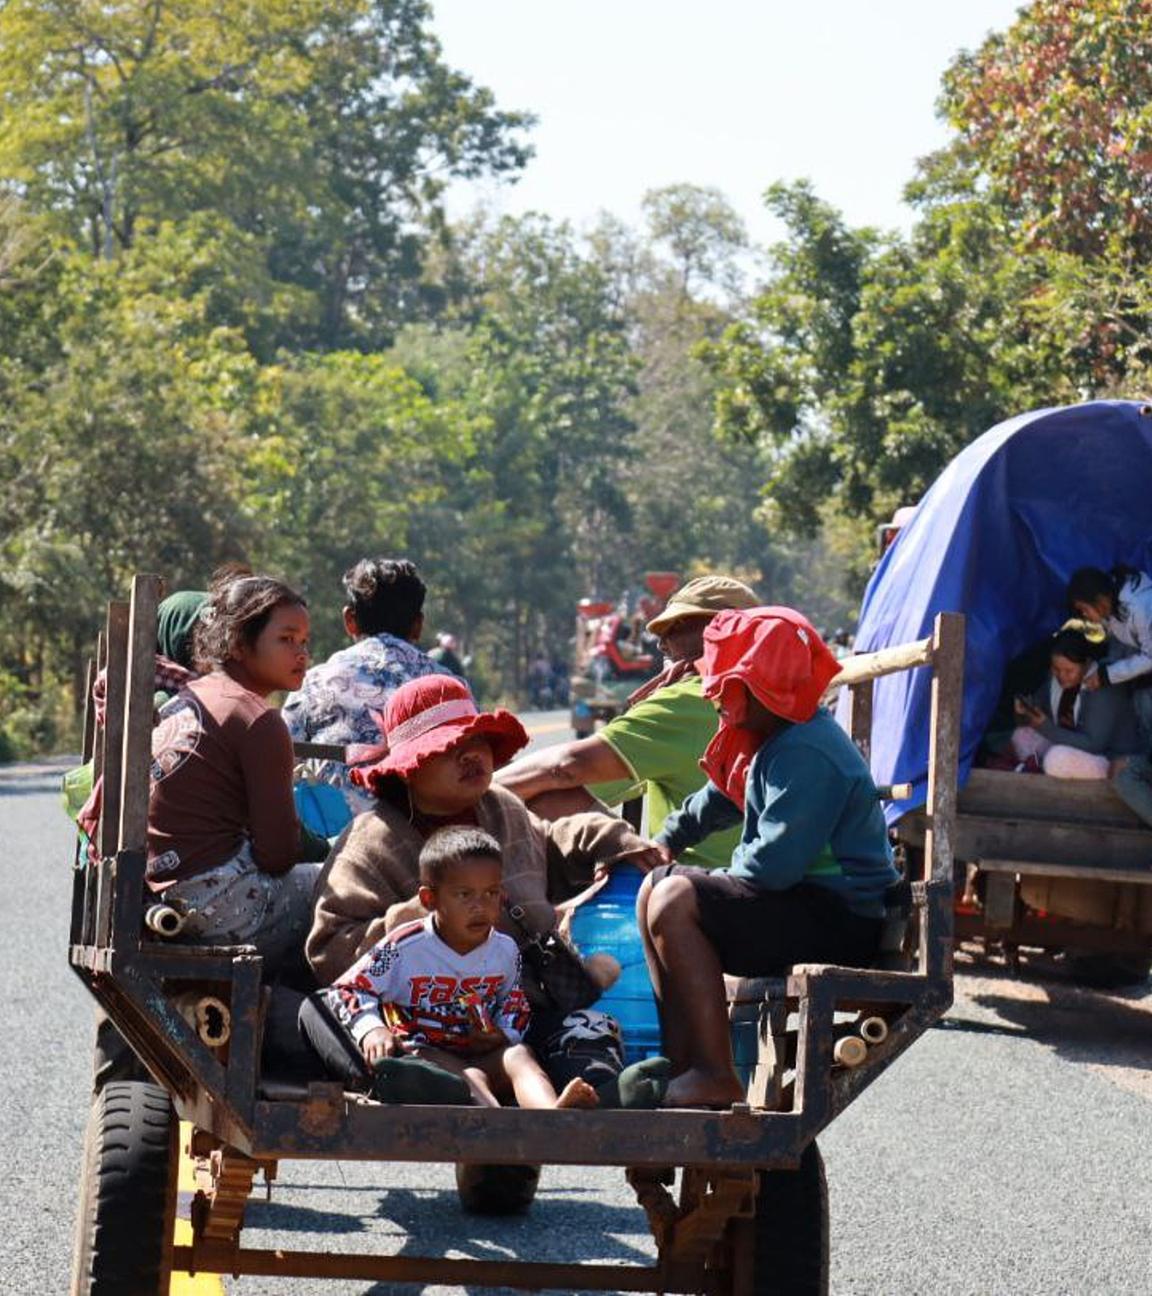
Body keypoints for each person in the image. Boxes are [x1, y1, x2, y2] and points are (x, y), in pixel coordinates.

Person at [307, 673, 662, 1088]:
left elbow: (551, 842)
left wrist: (613, 839)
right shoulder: (370, 842)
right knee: (332, 1021)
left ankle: (600, 1094)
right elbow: (330, 950)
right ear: (408, 769)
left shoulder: (502, 808)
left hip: (514, 1016)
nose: (471, 755)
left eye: (477, 741)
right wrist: (418, 918)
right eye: (449, 747)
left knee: (590, 1029)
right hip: (418, 1028)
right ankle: (435, 1086)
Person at [637, 606, 898, 1109]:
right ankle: (683, 1064)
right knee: (654, 886)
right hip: (804, 902)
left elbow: (771, 868)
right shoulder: (772, 737)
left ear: (761, 688)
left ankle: (714, 1074)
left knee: (674, 899)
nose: (713, 695)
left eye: (725, 686)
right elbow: (720, 796)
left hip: (840, 918)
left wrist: (704, 880)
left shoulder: (806, 750)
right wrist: (666, 842)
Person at [320, 827, 598, 1109]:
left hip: (481, 1055)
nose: (480, 906)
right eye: (464, 895)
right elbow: (347, 989)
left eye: (491, 893)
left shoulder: (504, 950)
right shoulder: (405, 947)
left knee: (519, 1055)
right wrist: (372, 1029)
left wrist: (502, 1034)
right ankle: (493, 1126)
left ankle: (553, 1115)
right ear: (429, 899)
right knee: (468, 1078)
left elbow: (514, 1004)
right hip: (426, 1056)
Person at [495, 575, 759, 868]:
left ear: (717, 631)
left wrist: (474, 794)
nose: (662, 645)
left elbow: (565, 768)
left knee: (547, 803)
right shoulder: (772, 695)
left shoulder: (690, 699)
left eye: (673, 629)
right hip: (770, 880)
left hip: (698, 881)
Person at [147, 575, 322, 975]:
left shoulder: (192, 696)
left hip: (164, 898)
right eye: (286, 639)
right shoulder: (258, 720)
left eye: (304, 641)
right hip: (222, 906)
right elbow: (277, 855)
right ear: (239, 644)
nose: (301, 654)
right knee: (358, 883)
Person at [283, 558, 451, 817]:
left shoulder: (313, 683)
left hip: (338, 837)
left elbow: (282, 761)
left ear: (350, 619)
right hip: (431, 834)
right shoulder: (448, 685)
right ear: (418, 624)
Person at [1010, 627, 1141, 778]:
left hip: (1109, 759)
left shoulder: (1104, 688)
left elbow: (1093, 745)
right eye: (1056, 669)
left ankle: (1045, 768)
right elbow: (1039, 711)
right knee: (1021, 736)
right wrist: (1025, 712)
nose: (1061, 676)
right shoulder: (1054, 680)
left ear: (1087, 663)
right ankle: (1040, 768)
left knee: (1056, 759)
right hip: (1069, 743)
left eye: (1069, 671)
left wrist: (1046, 727)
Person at [1068, 565, 1152, 738]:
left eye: (1084, 609)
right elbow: (1115, 637)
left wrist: (1107, 675)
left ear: (1099, 600)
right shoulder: (1111, 607)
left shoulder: (1141, 607)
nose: (1084, 615)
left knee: (1145, 703)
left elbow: (1150, 656)